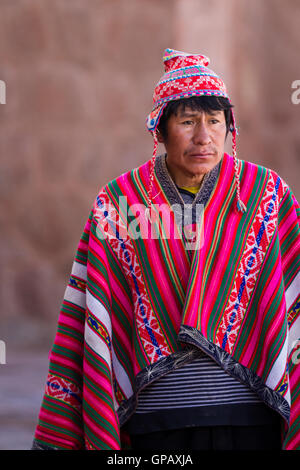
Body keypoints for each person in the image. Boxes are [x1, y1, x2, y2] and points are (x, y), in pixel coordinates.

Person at [32, 48, 300, 450]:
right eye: (188, 121)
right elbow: (92, 313)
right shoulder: (121, 202)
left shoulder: (267, 196)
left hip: (248, 418)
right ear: (159, 129)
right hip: (156, 425)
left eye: (214, 121)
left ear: (230, 128)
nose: (203, 137)